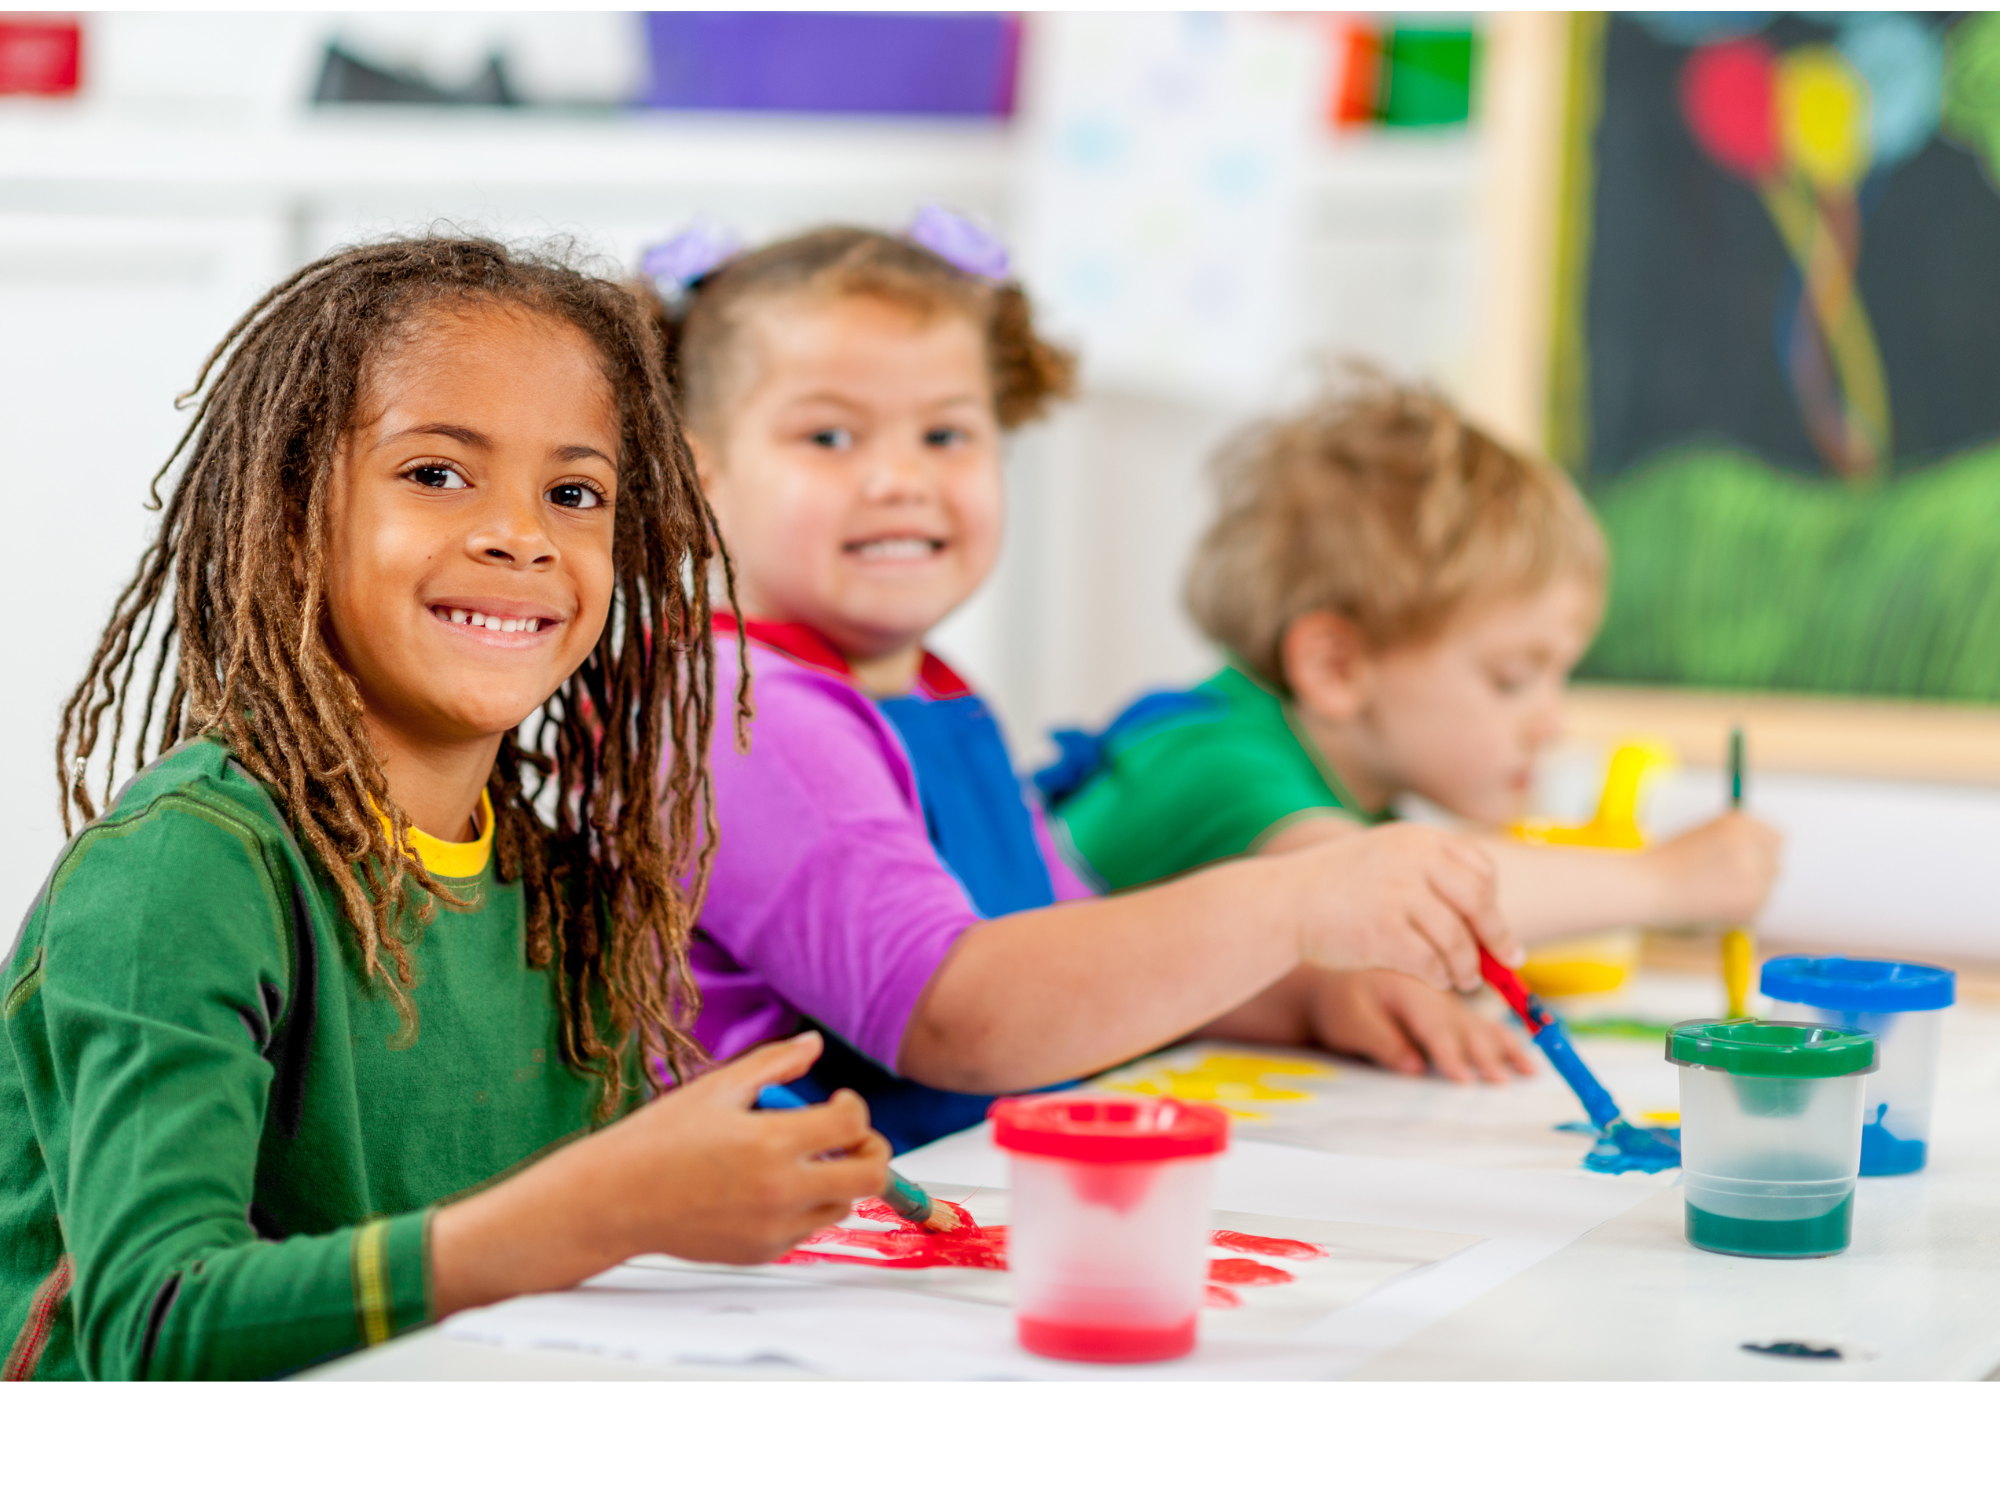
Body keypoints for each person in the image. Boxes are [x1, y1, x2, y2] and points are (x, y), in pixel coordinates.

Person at [0, 237, 889, 1381]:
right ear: (283, 517)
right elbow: (158, 1326)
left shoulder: (564, 889)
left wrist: (731, 1164)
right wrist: (593, 1211)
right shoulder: (185, 869)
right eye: (434, 473)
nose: (520, 535)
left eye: (574, 495)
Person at [650, 215, 1531, 1158]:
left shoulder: (935, 699)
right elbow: (958, 1012)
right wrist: (1293, 902)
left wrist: (1314, 994)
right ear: (697, 485)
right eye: (829, 435)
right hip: (786, 1255)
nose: (901, 477)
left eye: (946, 432)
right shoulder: (744, 713)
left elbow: (1074, 953)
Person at [1044, 377, 1781, 953]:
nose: (1552, 722)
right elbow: (1396, 892)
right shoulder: (1220, 761)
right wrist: (1664, 881)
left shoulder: (1345, 797)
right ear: (1336, 667)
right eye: (1513, 679)